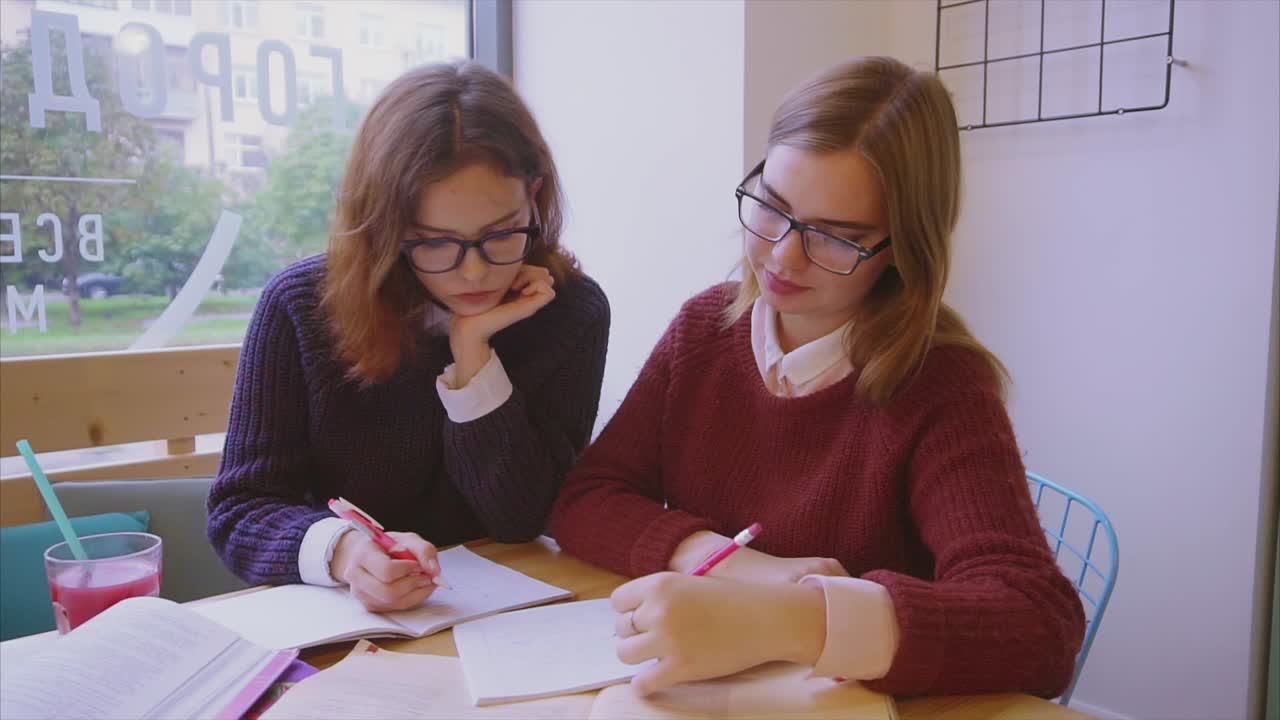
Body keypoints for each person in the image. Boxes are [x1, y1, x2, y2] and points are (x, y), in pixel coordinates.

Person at [550, 56, 1083, 699]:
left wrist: (795, 618)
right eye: (771, 207)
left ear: (904, 246)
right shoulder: (707, 328)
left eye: (836, 237)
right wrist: (728, 564)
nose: (782, 255)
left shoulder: (940, 383)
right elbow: (587, 497)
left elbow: (1039, 627)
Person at [208, 61, 610, 613]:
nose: (473, 274)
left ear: (534, 195)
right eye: (434, 241)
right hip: (336, 622)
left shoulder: (572, 313)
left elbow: (523, 518)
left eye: (500, 234)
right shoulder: (303, 305)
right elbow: (242, 509)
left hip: (503, 621)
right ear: (385, 225)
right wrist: (345, 553)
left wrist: (474, 361)